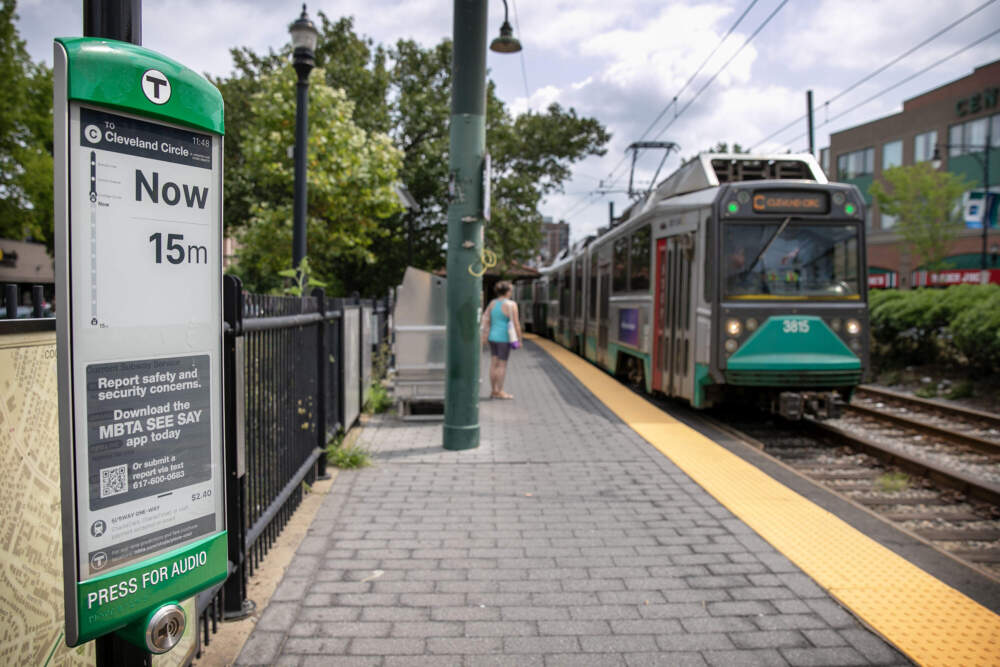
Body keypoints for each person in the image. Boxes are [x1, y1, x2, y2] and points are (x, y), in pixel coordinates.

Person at [481, 280, 522, 400]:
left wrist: (485, 335)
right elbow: (516, 323)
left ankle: (493, 390)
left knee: (493, 364)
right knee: (502, 365)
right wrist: (519, 339)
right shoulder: (511, 305)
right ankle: (500, 391)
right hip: (504, 338)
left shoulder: (492, 303)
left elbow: (486, 319)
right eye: (510, 290)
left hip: (492, 337)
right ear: (507, 292)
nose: (511, 292)